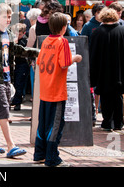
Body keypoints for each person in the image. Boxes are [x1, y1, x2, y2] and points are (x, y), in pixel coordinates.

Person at [0, 3, 39, 158]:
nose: (7, 19)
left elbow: (17, 50)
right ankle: (11, 146)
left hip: (6, 78)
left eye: (9, 17)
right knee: (4, 112)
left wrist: (37, 52)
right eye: (4, 17)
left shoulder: (7, 33)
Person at [34, 12, 82, 167]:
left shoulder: (46, 40)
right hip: (56, 90)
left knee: (43, 124)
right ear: (63, 28)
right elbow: (64, 63)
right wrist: (76, 58)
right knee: (55, 126)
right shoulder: (62, 42)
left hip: (45, 89)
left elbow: (39, 61)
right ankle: (52, 158)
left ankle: (39, 154)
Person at [89, 8, 124, 131]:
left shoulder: (97, 32)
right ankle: (118, 122)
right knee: (118, 96)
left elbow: (92, 54)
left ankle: (107, 121)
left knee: (105, 97)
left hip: (103, 72)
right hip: (120, 71)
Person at [11, 23, 30, 111]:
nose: (17, 36)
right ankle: (14, 100)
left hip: (22, 64)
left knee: (19, 83)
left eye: (20, 34)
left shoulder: (24, 41)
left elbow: (21, 51)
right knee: (14, 83)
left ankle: (17, 102)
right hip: (15, 64)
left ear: (23, 33)